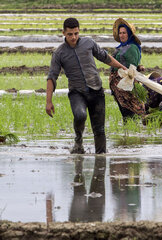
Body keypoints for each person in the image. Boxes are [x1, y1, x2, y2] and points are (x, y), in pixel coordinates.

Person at [46, 17, 127, 154]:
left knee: (99, 130)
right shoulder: (59, 53)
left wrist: (122, 68)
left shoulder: (88, 43)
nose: (73, 37)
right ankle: (78, 142)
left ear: (79, 31)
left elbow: (105, 57)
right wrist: (48, 101)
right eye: (70, 34)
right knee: (80, 115)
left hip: (96, 90)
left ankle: (101, 158)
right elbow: (52, 77)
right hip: (77, 93)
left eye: (76, 33)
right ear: (63, 33)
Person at [109, 17, 147, 120]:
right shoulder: (121, 47)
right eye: (120, 33)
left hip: (125, 83)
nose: (121, 35)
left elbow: (132, 67)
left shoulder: (132, 48)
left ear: (129, 34)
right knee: (124, 110)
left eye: (124, 33)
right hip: (117, 84)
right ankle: (129, 129)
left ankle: (133, 129)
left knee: (130, 110)